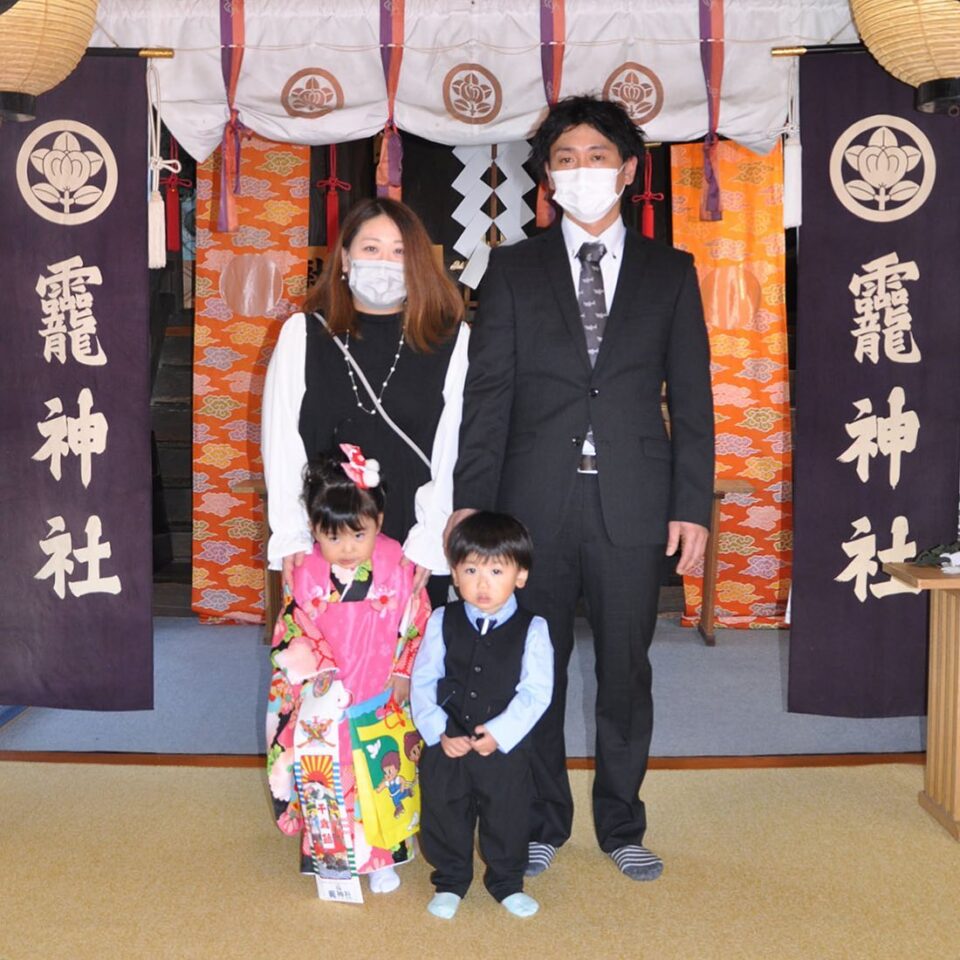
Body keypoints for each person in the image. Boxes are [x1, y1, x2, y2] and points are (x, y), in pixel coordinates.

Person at [447, 96, 715, 882]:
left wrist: (691, 506)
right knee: (538, 666)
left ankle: (623, 822)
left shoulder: (671, 272)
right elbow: (488, 395)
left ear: (628, 171)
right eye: (564, 159)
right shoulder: (514, 267)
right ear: (548, 179)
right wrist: (472, 502)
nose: (581, 171)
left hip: (633, 500)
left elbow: (693, 400)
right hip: (532, 506)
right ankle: (542, 819)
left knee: (626, 668)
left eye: (597, 155)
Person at [262, 197, 467, 609]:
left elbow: (452, 449)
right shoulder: (301, 334)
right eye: (371, 249)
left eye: (399, 252)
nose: (385, 262)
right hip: (327, 533)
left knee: (410, 666)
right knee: (328, 663)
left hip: (413, 535)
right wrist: (293, 533)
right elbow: (282, 442)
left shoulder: (451, 340)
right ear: (344, 258)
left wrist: (431, 539)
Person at [265, 445, 431, 894]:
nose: (345, 548)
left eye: (359, 535)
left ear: (379, 523)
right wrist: (314, 676)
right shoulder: (305, 571)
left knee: (382, 771)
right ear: (314, 530)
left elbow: (417, 620)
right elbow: (292, 625)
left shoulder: (399, 562)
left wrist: (404, 671)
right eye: (331, 536)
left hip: (379, 686)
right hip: (327, 693)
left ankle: (382, 859)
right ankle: (332, 856)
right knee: (329, 771)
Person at [411, 512, 553, 919]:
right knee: (444, 810)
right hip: (447, 741)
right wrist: (438, 732)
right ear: (454, 574)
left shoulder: (534, 628)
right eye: (471, 569)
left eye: (496, 570)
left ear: (520, 576)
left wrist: (500, 733)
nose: (483, 582)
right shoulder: (442, 620)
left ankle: (506, 881)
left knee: (506, 814)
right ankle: (451, 879)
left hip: (503, 747)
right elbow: (424, 680)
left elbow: (536, 691)